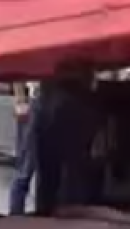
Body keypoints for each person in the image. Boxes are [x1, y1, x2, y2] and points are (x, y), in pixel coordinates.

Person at [33, 71, 108, 216]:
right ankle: (72, 212)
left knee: (49, 168)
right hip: (75, 97)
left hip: (48, 99)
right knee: (76, 166)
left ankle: (46, 213)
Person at [8, 82, 36, 214]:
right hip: (33, 102)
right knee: (24, 169)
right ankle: (15, 216)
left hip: (48, 97)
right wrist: (20, 100)